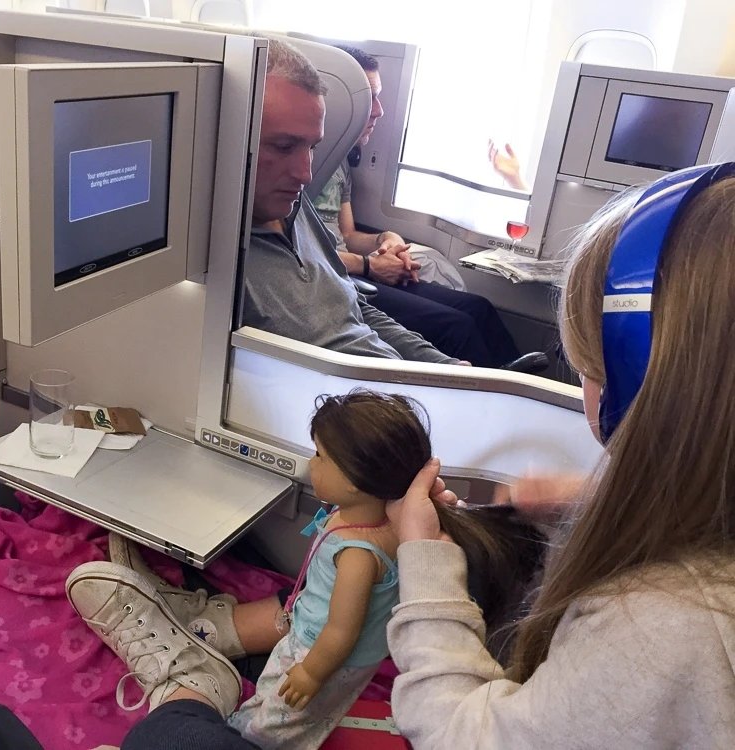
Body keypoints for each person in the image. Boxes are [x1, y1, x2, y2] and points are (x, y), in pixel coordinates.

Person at [384, 167, 735, 747]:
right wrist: (601, 498)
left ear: (641, 384)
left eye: (589, 370)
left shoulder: (662, 628)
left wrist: (425, 568)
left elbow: (462, 737)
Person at [66, 392, 545, 750]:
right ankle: (205, 641)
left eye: (319, 456)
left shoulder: (358, 554)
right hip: (305, 627)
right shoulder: (360, 519)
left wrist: (312, 673)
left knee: (279, 714)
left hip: (320, 652)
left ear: (359, 478)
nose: (309, 463)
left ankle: (237, 731)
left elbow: (341, 631)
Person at [239, 40, 462, 366]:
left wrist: (445, 368)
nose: (305, 174)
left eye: (312, 148)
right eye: (284, 146)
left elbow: (355, 308)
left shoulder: (296, 206)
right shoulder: (224, 257)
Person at [313, 47, 524, 369]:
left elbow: (347, 234)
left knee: (478, 308)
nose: (379, 111)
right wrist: (369, 266)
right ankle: (493, 402)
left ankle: (521, 385)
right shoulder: (300, 165)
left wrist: (387, 241)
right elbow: (299, 251)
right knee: (455, 326)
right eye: (369, 100)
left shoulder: (338, 158)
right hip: (335, 276)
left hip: (354, 265)